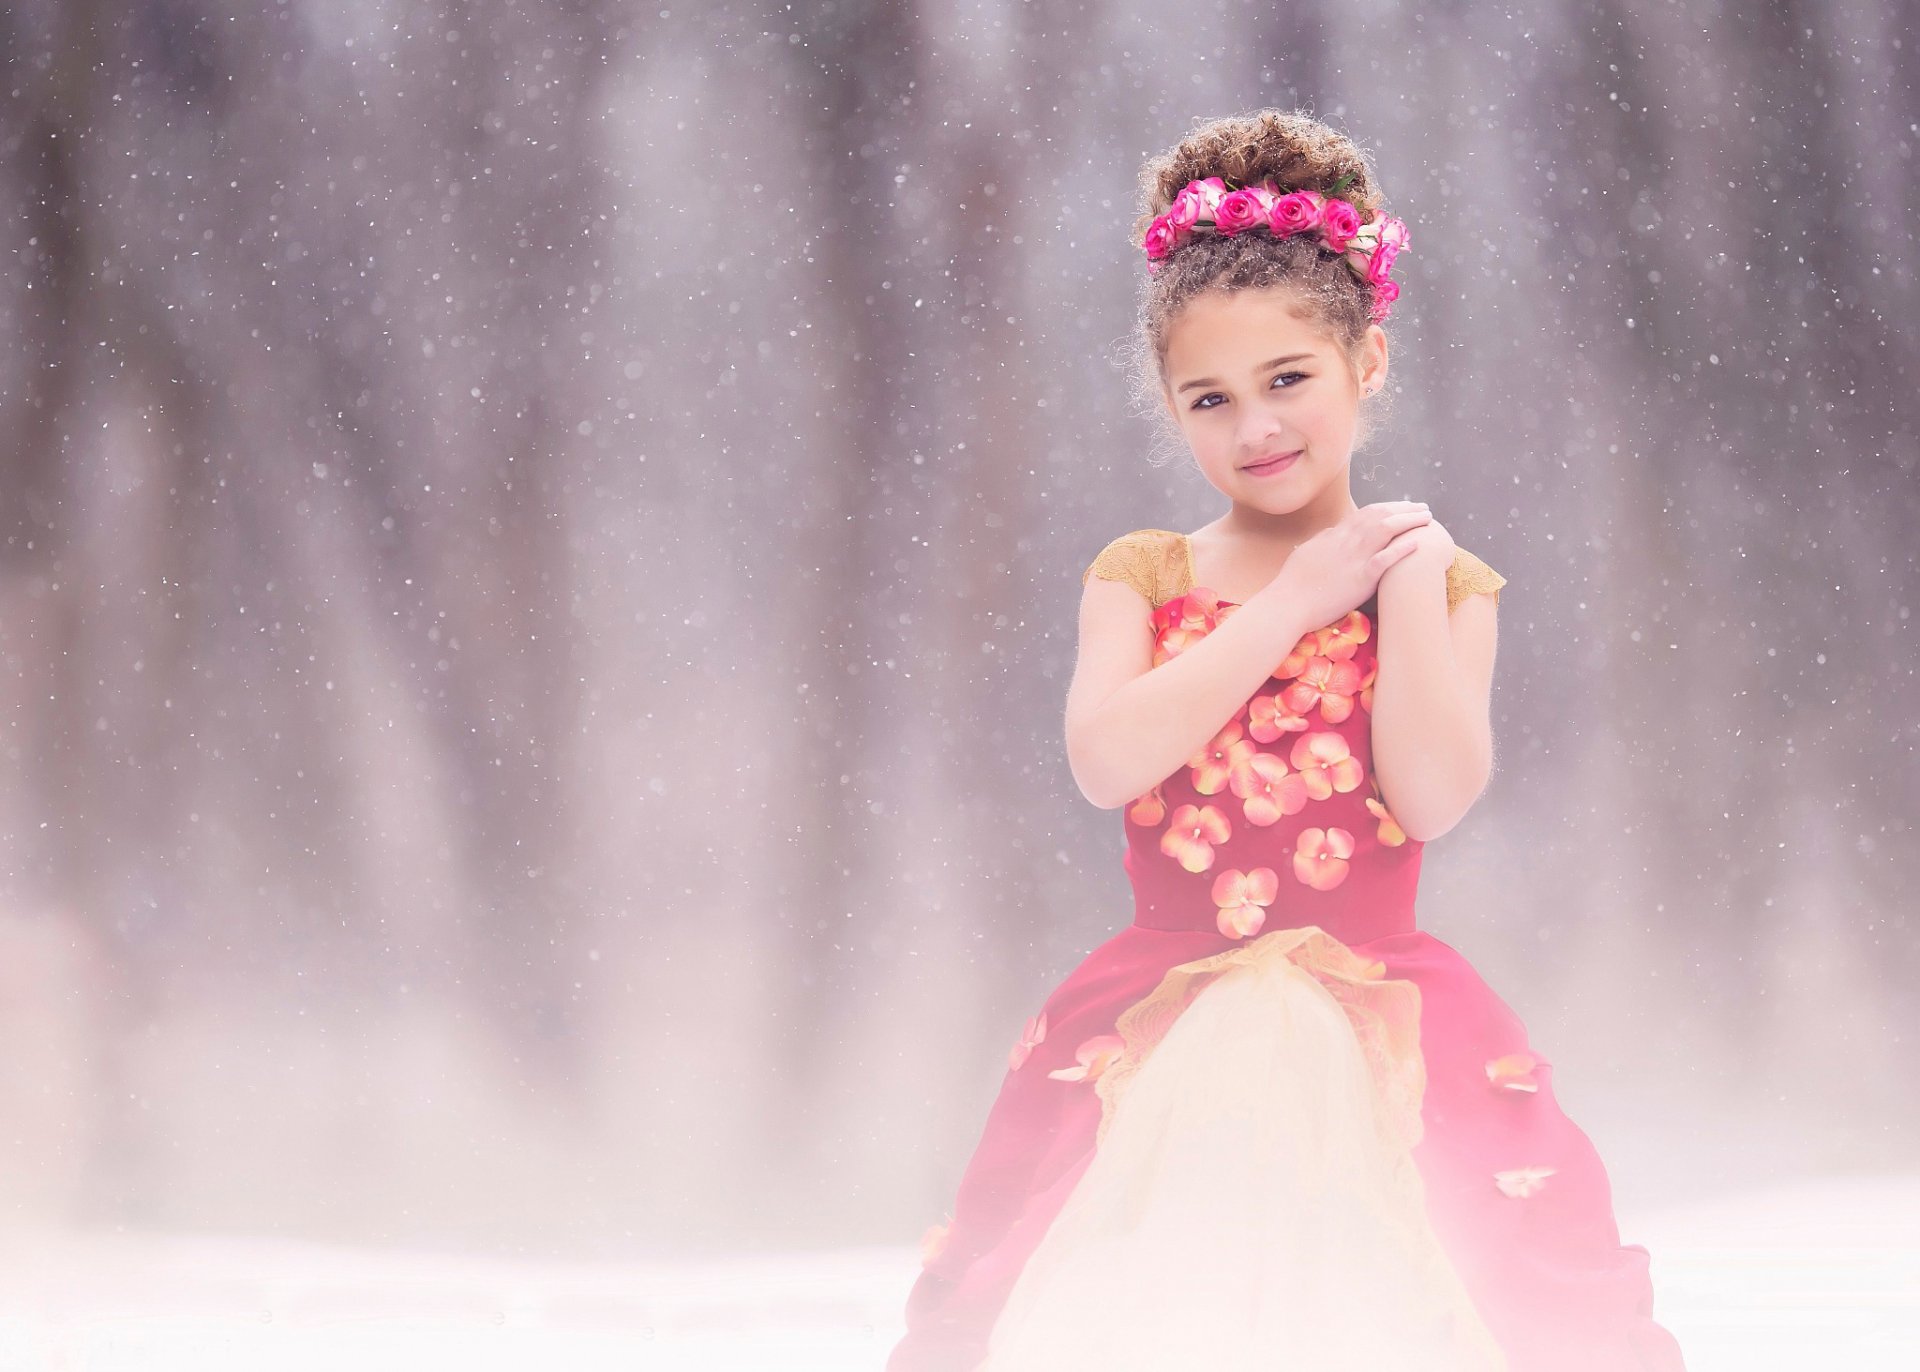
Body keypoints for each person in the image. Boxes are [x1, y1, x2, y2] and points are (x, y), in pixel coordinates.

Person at [887, 109, 1688, 1372]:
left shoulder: (1447, 579)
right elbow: (1107, 759)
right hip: (1163, 1012)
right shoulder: (1142, 574)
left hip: (1380, 1011)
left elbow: (1429, 796)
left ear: (1367, 361)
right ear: (1170, 406)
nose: (1256, 427)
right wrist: (1294, 601)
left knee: (1442, 1294)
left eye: (1289, 381)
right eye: (1211, 398)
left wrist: (1399, 587)